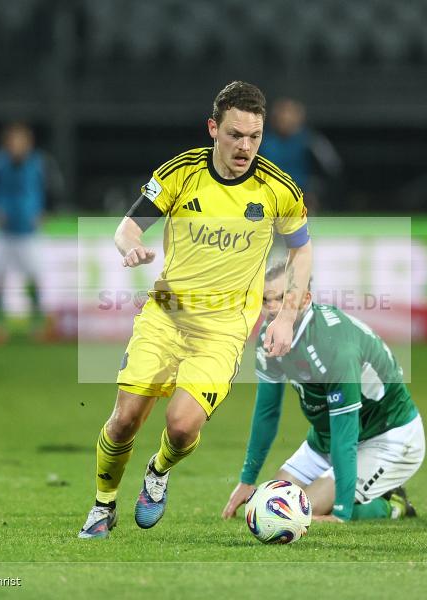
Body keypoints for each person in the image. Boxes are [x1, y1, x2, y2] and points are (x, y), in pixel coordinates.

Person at [78, 81, 313, 539]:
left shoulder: (277, 189)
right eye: (235, 135)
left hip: (224, 328)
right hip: (166, 314)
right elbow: (128, 228)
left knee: (182, 426)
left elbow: (302, 250)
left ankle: (159, 469)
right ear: (213, 128)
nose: (245, 146)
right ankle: (103, 505)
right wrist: (132, 249)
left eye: (254, 136)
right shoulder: (180, 173)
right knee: (125, 418)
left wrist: (285, 315)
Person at [222, 262, 424, 523]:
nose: (271, 308)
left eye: (283, 298)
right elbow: (267, 412)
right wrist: (247, 481)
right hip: (326, 439)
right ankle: (357, 493)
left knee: (298, 512)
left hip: (387, 437)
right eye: (265, 299)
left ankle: (391, 504)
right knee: (269, 504)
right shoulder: (268, 336)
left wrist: (340, 513)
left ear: (306, 298)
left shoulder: (335, 347)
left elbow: (346, 431)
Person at [0, 122, 64, 342]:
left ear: (29, 143)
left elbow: (56, 189)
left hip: (30, 233)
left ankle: (37, 323)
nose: (17, 145)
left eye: (21, 141)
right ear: (6, 143)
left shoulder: (40, 163)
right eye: (13, 141)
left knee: (35, 278)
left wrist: (48, 212)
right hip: (4, 232)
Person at [259, 97, 342, 213]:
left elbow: (332, 166)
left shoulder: (311, 140)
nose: (285, 118)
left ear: (299, 117)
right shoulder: (261, 141)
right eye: (281, 114)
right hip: (268, 191)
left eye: (289, 113)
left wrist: (315, 188)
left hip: (302, 191)